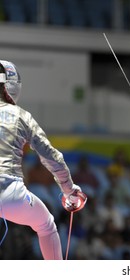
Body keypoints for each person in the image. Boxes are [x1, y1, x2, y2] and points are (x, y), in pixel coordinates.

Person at [0, 60, 85, 259]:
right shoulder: (21, 116)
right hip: (11, 195)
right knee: (46, 225)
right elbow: (51, 156)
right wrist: (69, 190)